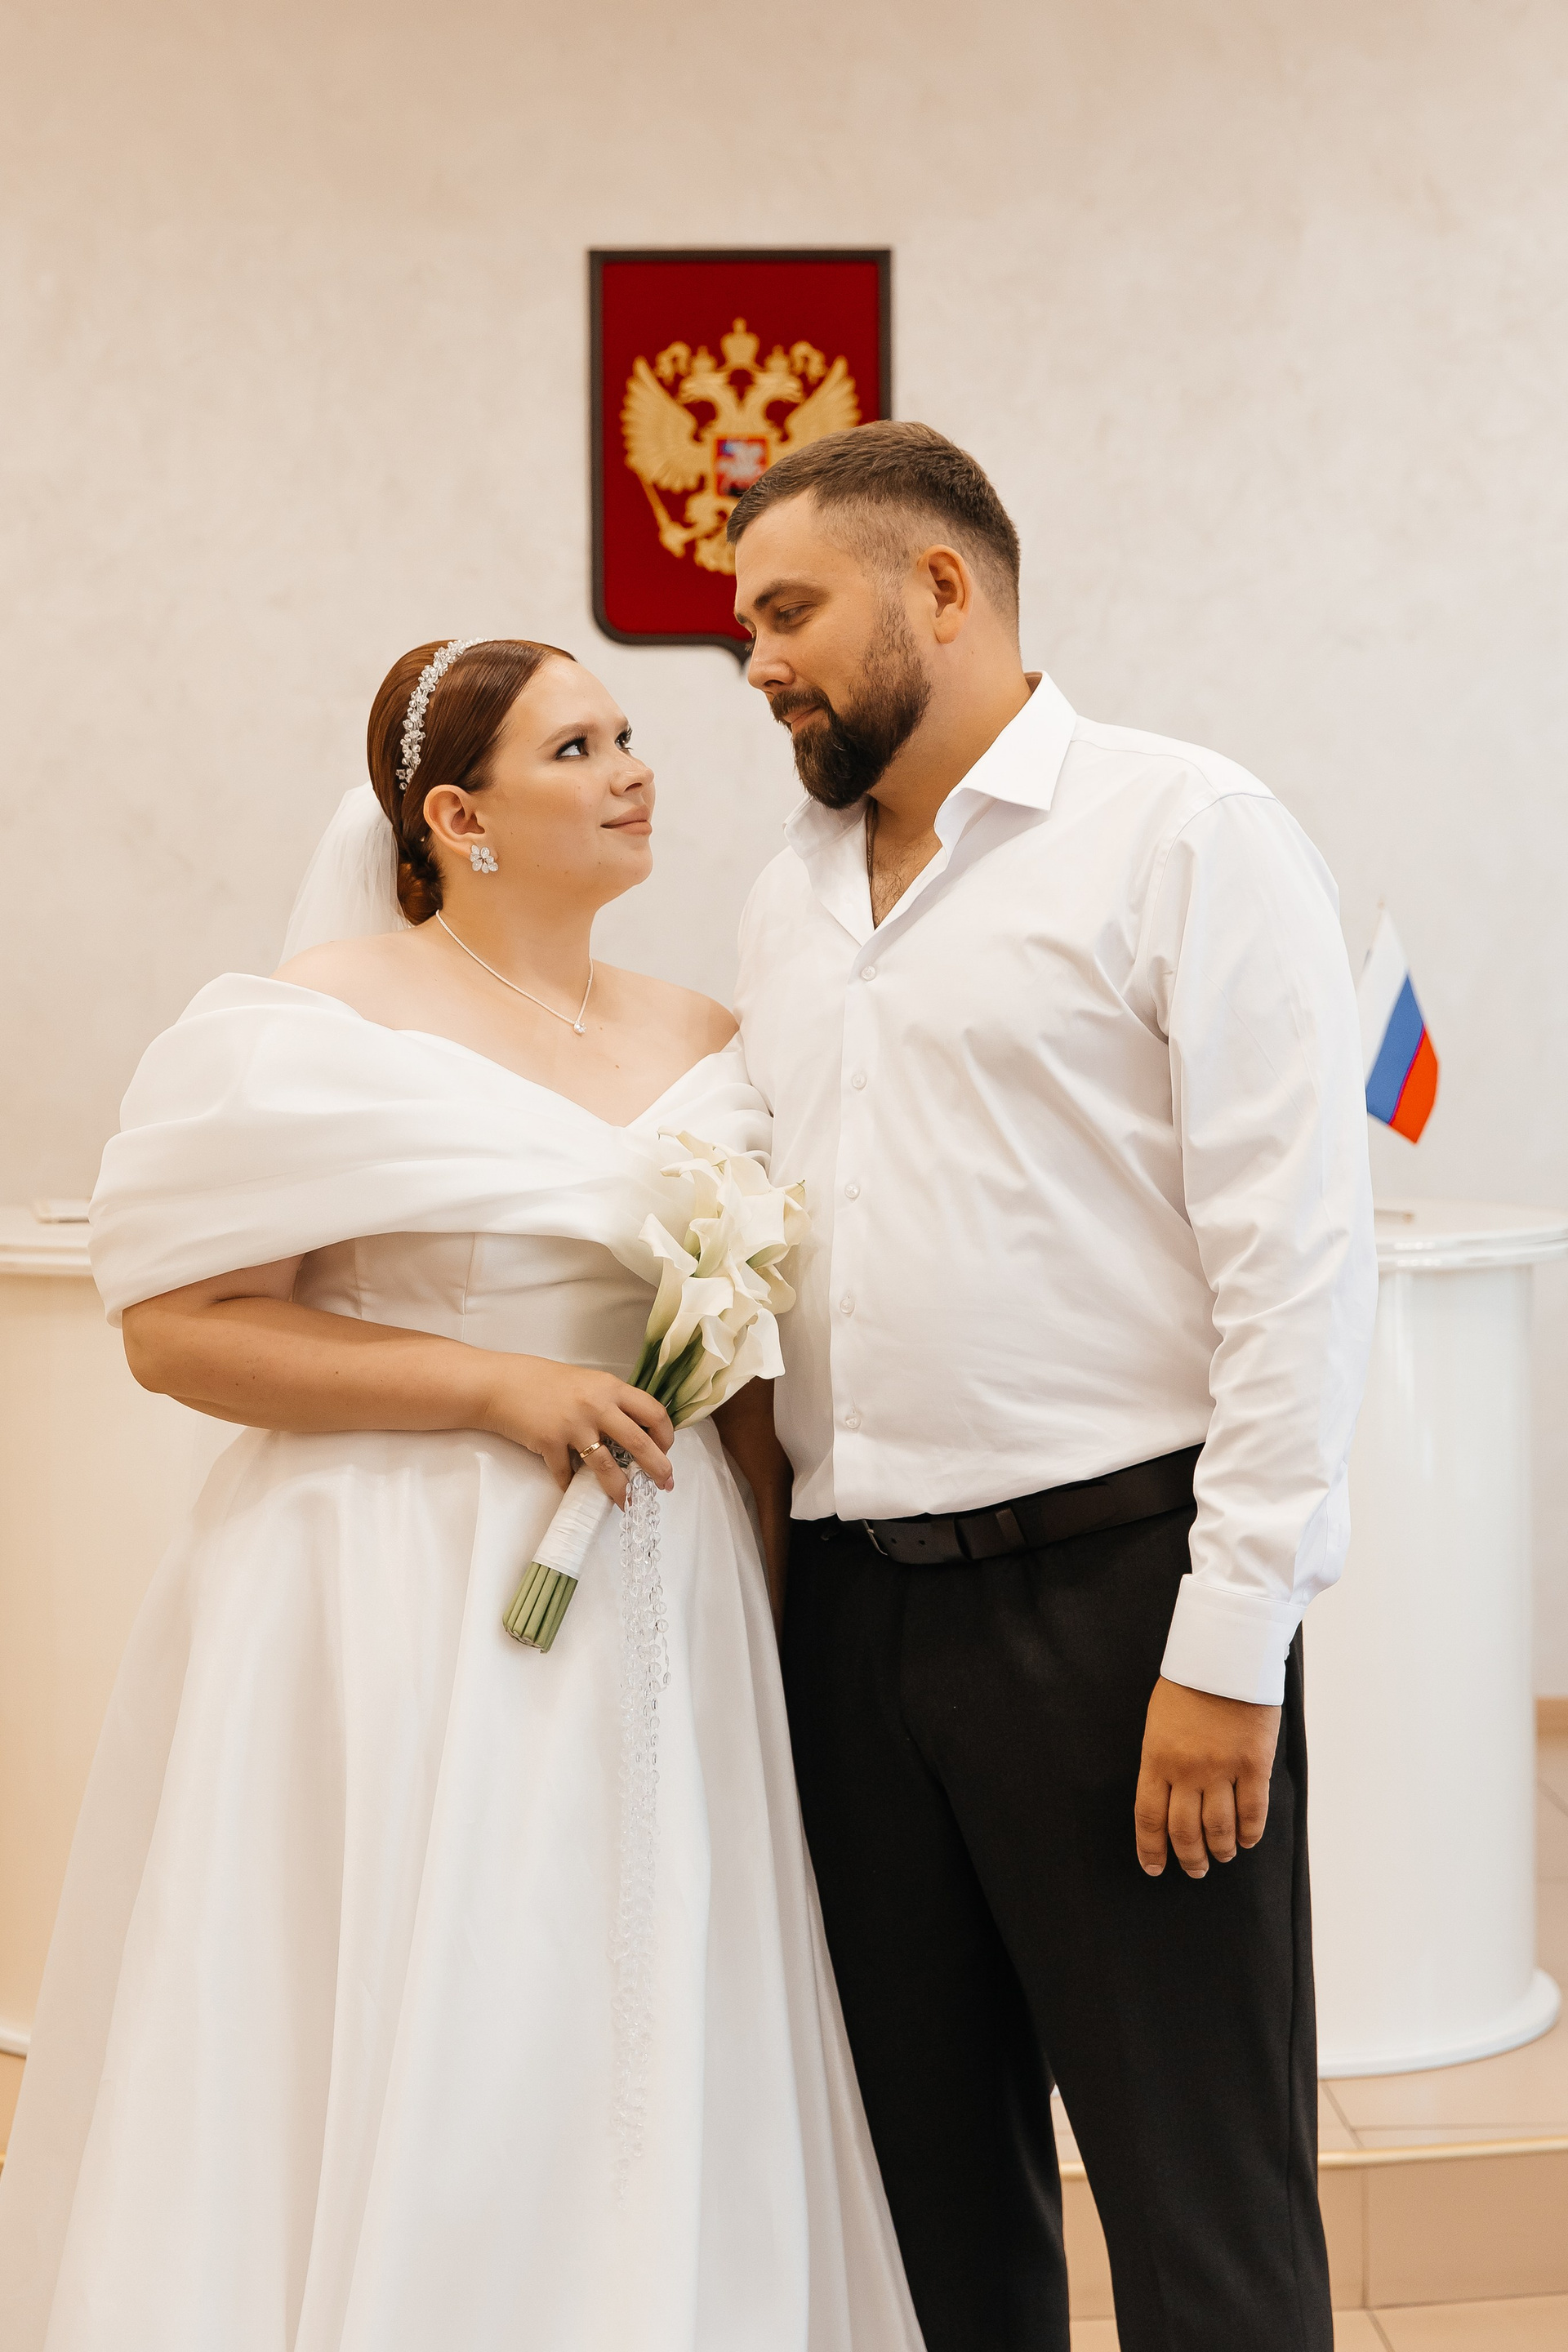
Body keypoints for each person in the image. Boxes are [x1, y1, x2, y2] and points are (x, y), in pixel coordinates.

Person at [0, 637, 922, 2352]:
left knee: (635, 1997)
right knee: (454, 1989)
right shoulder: (317, 1023)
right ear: (457, 818)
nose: (634, 769)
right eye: (577, 748)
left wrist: (773, 1625)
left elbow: (742, 1379)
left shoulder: (709, 1037)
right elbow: (179, 1332)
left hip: (665, 1592)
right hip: (396, 1585)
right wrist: (494, 1386)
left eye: (628, 734)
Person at [727, 423, 1379, 2352]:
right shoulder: (785, 898)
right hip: (853, 1619)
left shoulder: (1185, 830)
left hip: (1116, 1609)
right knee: (932, 2215)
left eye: (788, 612)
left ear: (941, 588)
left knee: (1203, 2215)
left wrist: (1229, 1642)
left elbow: (1294, 1263)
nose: (758, 663)